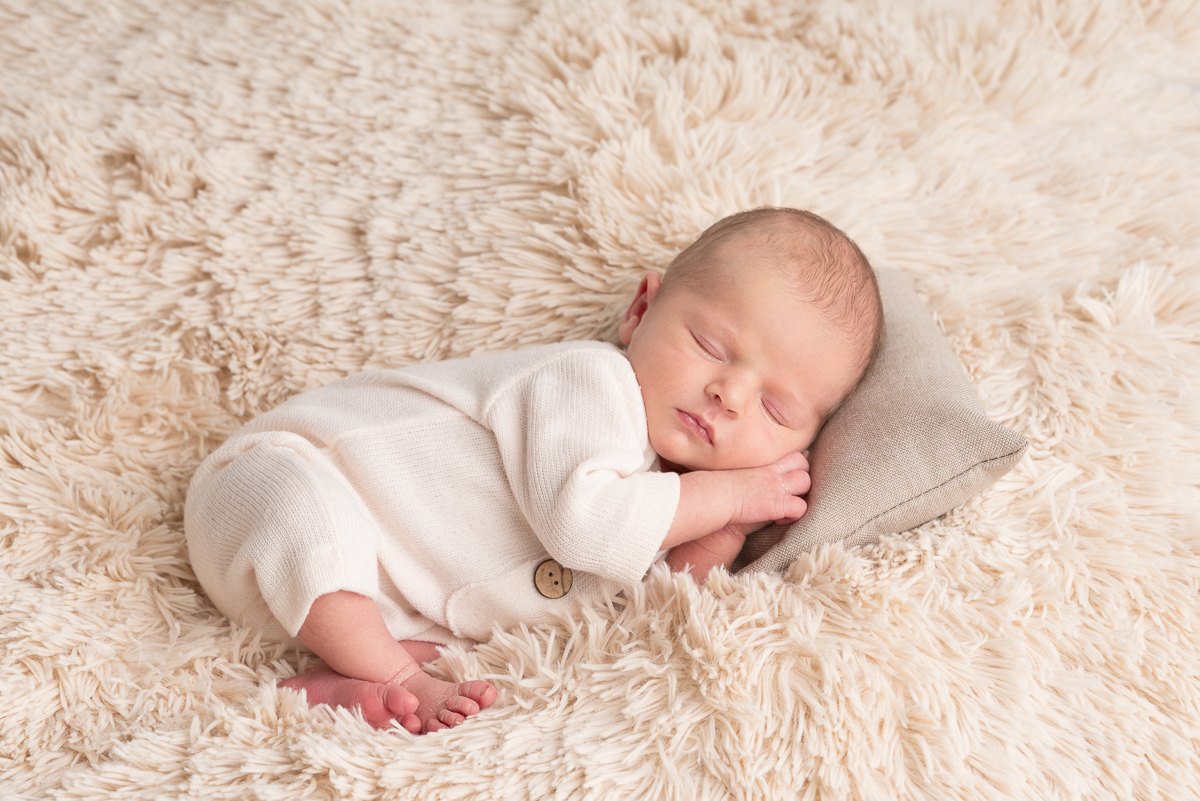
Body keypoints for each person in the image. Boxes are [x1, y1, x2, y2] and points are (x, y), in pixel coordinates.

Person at [184, 207, 883, 735]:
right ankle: (395, 673)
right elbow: (587, 528)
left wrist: (729, 529)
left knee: (459, 644)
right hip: (271, 486)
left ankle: (348, 682)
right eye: (710, 345)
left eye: (774, 407)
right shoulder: (590, 384)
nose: (728, 394)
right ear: (641, 311)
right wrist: (725, 494)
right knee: (305, 514)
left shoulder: (674, 497)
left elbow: (658, 606)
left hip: (365, 599)